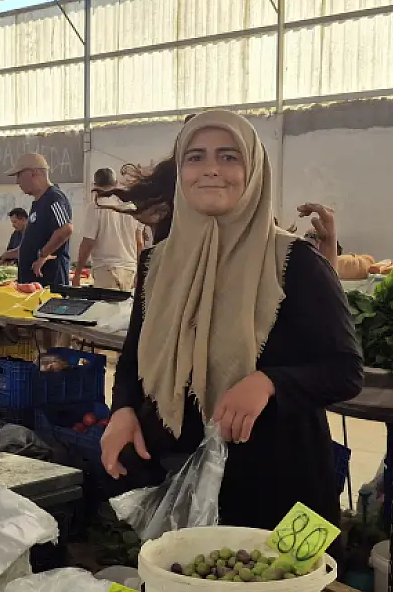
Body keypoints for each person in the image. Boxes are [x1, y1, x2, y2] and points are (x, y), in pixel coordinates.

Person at [100, 110, 361, 530]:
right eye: (196, 157)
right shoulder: (158, 263)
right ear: (181, 171)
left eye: (229, 157)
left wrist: (268, 382)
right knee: (180, 588)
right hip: (176, 475)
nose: (211, 171)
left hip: (273, 489)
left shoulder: (294, 262)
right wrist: (124, 409)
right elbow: (133, 356)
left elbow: (345, 370)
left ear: (253, 169)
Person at [9, 153, 74, 287]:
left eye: (19, 175)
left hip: (48, 281)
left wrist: (43, 255)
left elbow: (65, 229)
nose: (17, 182)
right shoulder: (39, 202)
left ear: (33, 173)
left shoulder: (54, 198)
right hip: (33, 283)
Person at [75, 167, 147, 289]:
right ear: (116, 183)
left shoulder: (97, 206)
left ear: (95, 185)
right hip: (130, 269)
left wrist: (77, 274)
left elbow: (88, 243)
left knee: (107, 308)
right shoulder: (131, 206)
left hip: (106, 270)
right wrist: (140, 272)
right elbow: (139, 243)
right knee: (125, 308)